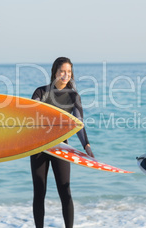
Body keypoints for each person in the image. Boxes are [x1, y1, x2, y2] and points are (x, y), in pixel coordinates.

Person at [30, 57, 94, 228]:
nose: (66, 75)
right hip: (39, 147)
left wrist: (86, 146)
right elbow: (31, 116)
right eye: (62, 71)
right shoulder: (41, 92)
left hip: (61, 147)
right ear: (55, 72)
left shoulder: (73, 96)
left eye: (69, 72)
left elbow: (78, 124)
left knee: (65, 191)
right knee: (39, 192)